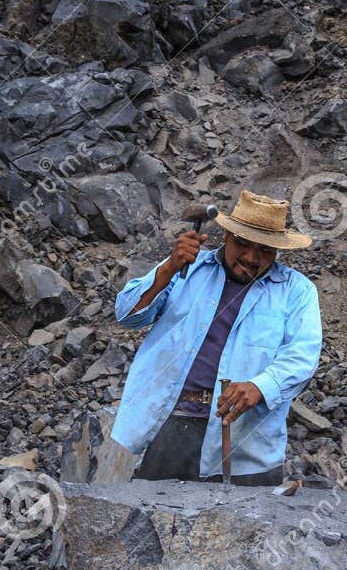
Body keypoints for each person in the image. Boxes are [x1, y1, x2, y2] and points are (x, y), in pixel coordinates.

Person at [110, 189, 322, 485]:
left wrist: (260, 386)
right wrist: (168, 268)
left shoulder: (296, 291)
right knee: (157, 518)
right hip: (175, 423)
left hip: (246, 441)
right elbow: (127, 314)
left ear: (277, 250)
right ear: (227, 236)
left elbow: (303, 355)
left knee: (248, 527)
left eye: (264, 250)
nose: (251, 257)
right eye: (243, 244)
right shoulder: (188, 267)